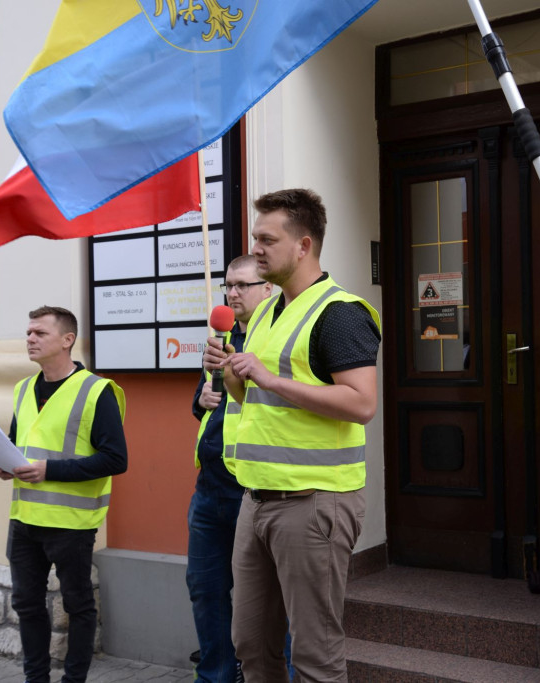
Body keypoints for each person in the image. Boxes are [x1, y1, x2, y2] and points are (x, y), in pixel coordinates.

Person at [203, 188, 381, 682]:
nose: (256, 247)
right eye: (254, 238)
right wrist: (232, 374)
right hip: (256, 499)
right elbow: (253, 401)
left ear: (303, 245)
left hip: (314, 504)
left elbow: (362, 403)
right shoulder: (263, 311)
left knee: (315, 654)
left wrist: (270, 378)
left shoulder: (341, 312)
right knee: (251, 645)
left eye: (266, 238)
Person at [0, 305, 127, 683]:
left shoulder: (97, 391)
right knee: (27, 606)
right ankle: (36, 679)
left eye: (40, 333)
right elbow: (23, 448)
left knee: (78, 607)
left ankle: (73, 680)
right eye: (29, 332)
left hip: (71, 523)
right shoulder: (22, 389)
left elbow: (115, 459)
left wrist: (48, 470)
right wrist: (6, 465)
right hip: (23, 520)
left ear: (67, 340)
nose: (30, 339)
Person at [187, 255, 273, 682]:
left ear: (268, 289)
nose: (232, 293)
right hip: (209, 490)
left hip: (253, 489)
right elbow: (206, 408)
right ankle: (217, 675)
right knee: (206, 590)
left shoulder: (276, 341)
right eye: (227, 286)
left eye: (242, 284)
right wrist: (199, 399)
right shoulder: (221, 340)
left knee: (267, 603)